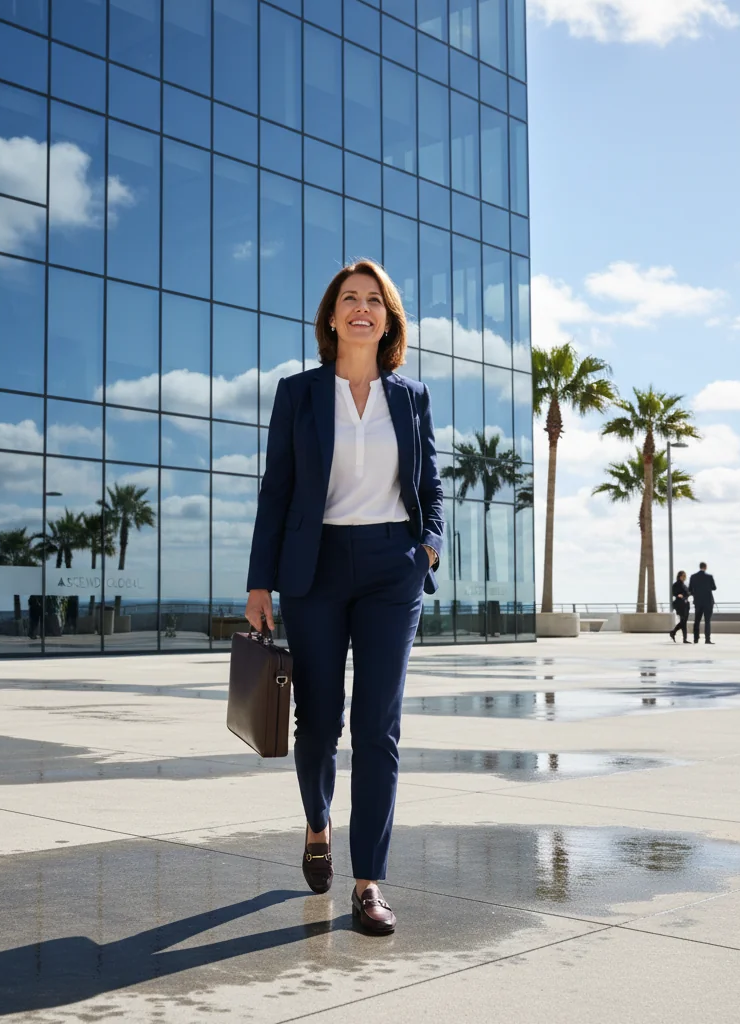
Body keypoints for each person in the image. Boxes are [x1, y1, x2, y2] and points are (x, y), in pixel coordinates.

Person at [245, 260, 445, 936]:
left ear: (389, 320)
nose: (362, 309)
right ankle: (317, 822)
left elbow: (431, 485)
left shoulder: (411, 397)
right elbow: (276, 491)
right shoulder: (297, 394)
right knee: (319, 721)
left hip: (393, 568)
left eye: (375, 301)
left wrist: (430, 546)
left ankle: (368, 883)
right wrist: (259, 581)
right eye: (349, 299)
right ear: (331, 318)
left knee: (378, 730)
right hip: (316, 567)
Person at [688, 562, 717, 644]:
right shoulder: (709, 577)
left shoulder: (693, 577)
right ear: (705, 567)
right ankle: (707, 639)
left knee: (697, 620)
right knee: (707, 621)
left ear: (699, 567)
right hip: (708, 601)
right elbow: (714, 588)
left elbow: (690, 589)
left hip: (698, 602)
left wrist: (696, 594)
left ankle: (696, 639)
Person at [669, 571, 690, 643]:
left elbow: (688, 593)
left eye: (685, 575)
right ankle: (684, 639)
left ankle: (673, 632)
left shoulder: (684, 585)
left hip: (686, 604)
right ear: (680, 576)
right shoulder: (676, 584)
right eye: (683, 575)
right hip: (680, 604)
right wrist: (679, 595)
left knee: (684, 621)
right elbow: (674, 593)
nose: (685, 577)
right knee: (683, 621)